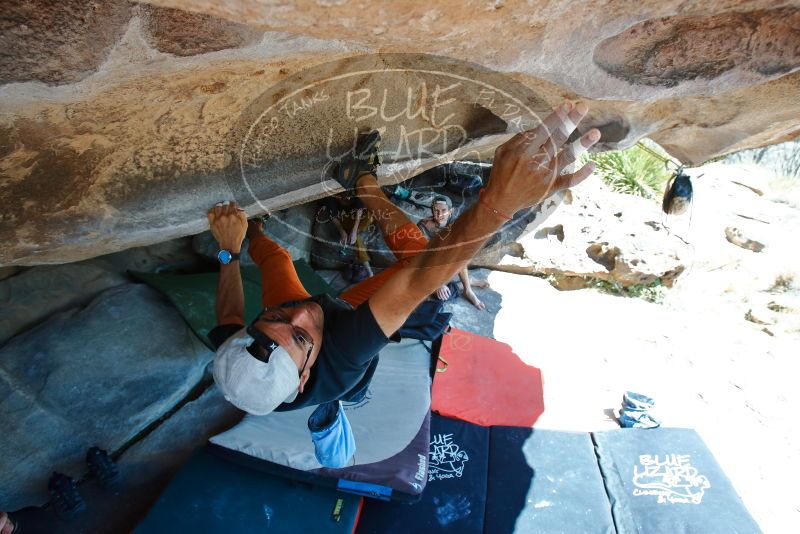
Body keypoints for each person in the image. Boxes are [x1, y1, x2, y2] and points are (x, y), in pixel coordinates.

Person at [205, 100, 599, 417]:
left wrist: (231, 244)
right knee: (420, 262)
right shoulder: (343, 354)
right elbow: (419, 279)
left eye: (274, 317)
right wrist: (501, 202)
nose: (301, 313)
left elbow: (228, 314)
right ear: (306, 375)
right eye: (300, 336)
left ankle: (249, 224)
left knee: (275, 258)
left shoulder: (242, 352)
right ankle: (361, 179)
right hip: (344, 330)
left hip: (300, 334)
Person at [417, 194, 491, 310]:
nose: (439, 215)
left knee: (460, 256)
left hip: (453, 261)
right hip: (431, 263)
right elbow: (423, 256)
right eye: (436, 211)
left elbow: (462, 251)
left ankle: (467, 289)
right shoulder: (423, 225)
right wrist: (438, 285)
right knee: (439, 296)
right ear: (432, 210)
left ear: (451, 211)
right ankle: (468, 282)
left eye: (443, 210)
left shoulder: (457, 225)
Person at [317, 193, 374, 282]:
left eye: (348, 198)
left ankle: (354, 233)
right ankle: (369, 271)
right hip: (344, 218)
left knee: (370, 215)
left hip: (355, 216)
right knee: (356, 238)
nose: (346, 199)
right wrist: (342, 232)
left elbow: (359, 210)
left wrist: (354, 231)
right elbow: (334, 217)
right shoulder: (331, 199)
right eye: (343, 199)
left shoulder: (354, 194)